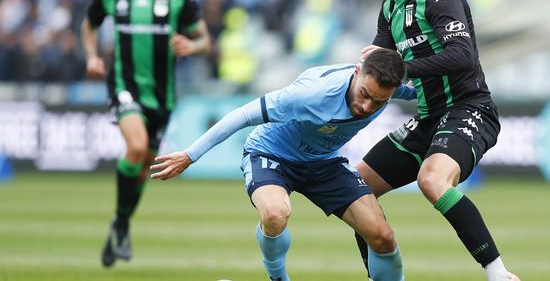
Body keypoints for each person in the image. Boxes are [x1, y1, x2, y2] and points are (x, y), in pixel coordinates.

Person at [150, 49, 412, 281]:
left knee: (382, 237)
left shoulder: (390, 87)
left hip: (323, 161)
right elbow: (242, 115)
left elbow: (442, 82)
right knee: (275, 214)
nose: (367, 107)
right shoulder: (311, 95)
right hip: (271, 153)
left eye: (378, 102)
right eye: (364, 94)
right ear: (357, 72)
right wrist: (190, 154)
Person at [354, 0, 519, 281]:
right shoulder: (390, 9)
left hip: (469, 108)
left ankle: (498, 274)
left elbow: (462, 56)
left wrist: (401, 66)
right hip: (428, 117)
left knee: (432, 180)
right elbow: (382, 68)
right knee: (355, 190)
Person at [81, 0, 211, 267]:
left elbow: (205, 40)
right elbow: (89, 24)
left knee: (142, 170)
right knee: (136, 148)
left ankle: (119, 223)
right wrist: (92, 56)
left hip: (162, 97)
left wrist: (192, 45)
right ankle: (123, 223)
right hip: (124, 86)